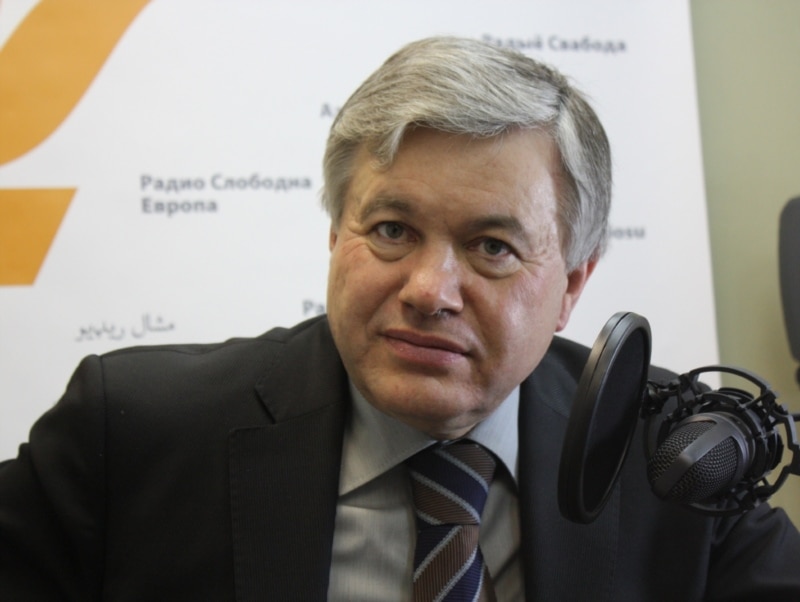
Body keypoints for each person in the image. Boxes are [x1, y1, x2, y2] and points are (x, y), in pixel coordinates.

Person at [1, 36, 798, 601]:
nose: (428, 290)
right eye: (391, 231)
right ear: (335, 236)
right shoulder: (132, 431)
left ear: (572, 286)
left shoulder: (676, 457)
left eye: (492, 247)